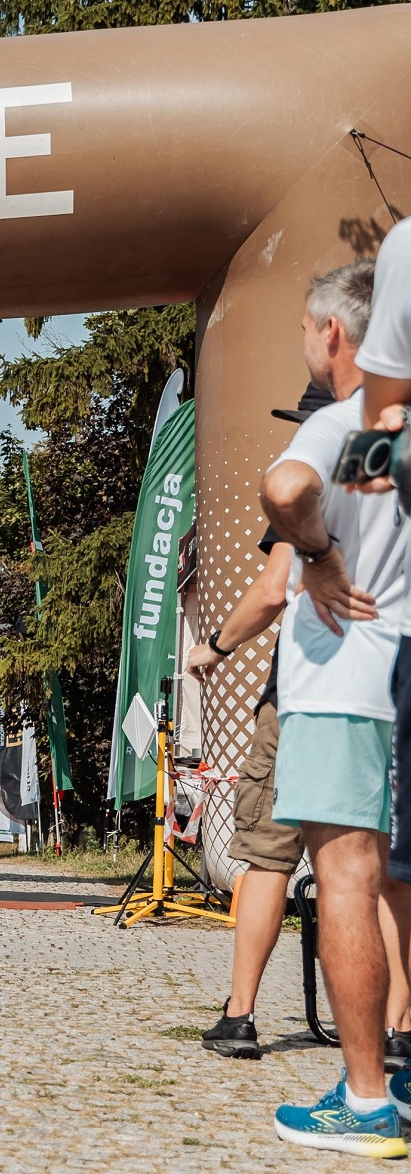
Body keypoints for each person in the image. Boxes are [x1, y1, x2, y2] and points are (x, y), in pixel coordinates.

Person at [260, 258, 411, 1154]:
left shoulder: (348, 425)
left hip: (349, 673)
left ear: (333, 335)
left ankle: (363, 1103)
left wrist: (313, 549)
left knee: (347, 879)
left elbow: (285, 491)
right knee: (398, 877)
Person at [186, 385, 324, 1059]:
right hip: (386, 688)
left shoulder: (312, 474)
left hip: (303, 691)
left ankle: (240, 1015)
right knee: (370, 866)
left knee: (269, 854)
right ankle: (398, 1029)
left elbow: (274, 588)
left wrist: (212, 648)